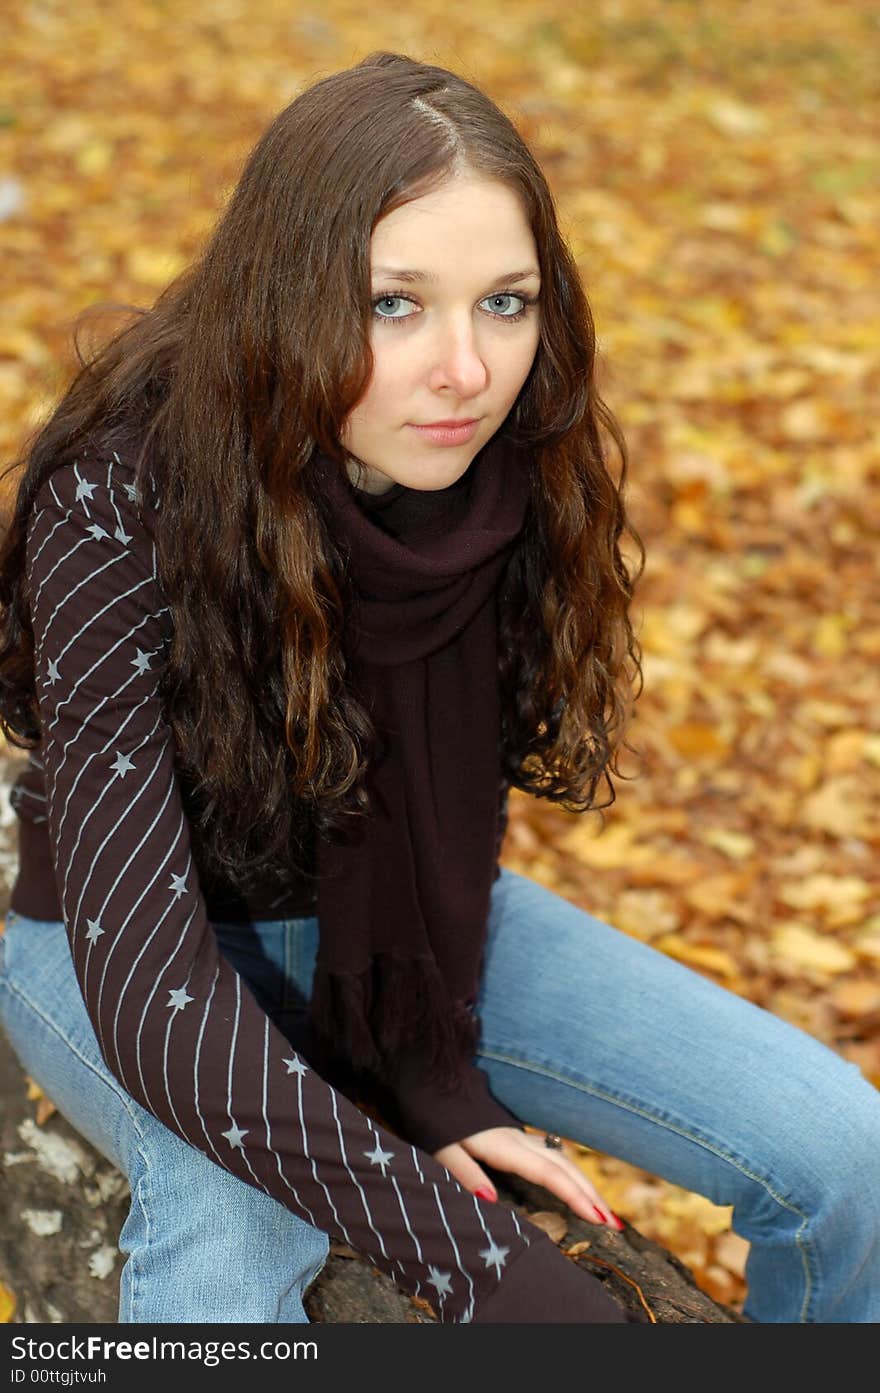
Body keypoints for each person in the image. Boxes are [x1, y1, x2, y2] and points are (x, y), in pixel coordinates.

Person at [0, 51, 877, 1328]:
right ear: (284, 291)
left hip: (409, 924)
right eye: (393, 304)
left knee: (845, 1153)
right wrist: (489, 1270)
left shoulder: (506, 473)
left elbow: (450, 804)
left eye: (504, 303)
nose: (464, 370)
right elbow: (153, 988)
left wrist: (428, 1071)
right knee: (240, 1223)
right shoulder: (117, 493)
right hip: (116, 944)